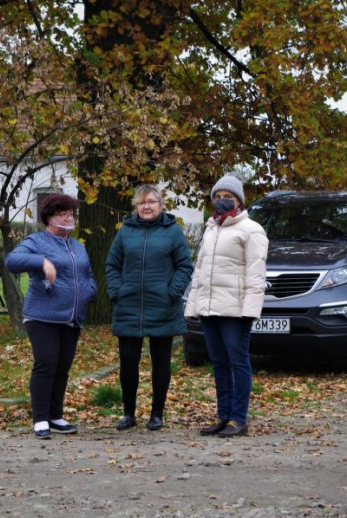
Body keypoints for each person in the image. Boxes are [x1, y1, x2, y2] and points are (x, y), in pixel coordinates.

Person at [5, 194, 97, 439]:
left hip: (72, 317)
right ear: (49, 217)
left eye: (71, 213)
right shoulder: (36, 241)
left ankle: (56, 416)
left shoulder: (77, 245)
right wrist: (41, 261)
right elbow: (12, 261)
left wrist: (91, 290)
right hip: (42, 316)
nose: (69, 218)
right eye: (63, 214)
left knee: (62, 367)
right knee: (46, 364)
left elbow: (87, 274)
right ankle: (40, 419)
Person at [184, 174, 268, 438]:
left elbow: (256, 274)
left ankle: (238, 418)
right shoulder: (211, 228)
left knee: (238, 361)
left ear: (239, 200)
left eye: (227, 197)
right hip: (210, 308)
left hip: (235, 310)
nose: (221, 201)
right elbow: (200, 271)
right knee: (218, 362)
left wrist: (250, 310)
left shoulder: (251, 230)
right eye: (217, 196)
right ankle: (223, 416)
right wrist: (193, 305)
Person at [105, 185, 193, 431]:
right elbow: (112, 265)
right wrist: (116, 292)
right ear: (136, 205)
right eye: (142, 202)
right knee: (128, 362)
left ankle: (157, 413)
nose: (146, 206)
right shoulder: (125, 232)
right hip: (128, 306)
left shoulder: (173, 232)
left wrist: (172, 292)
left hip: (162, 307)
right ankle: (128, 413)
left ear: (160, 205)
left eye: (152, 201)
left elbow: (185, 266)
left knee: (161, 363)